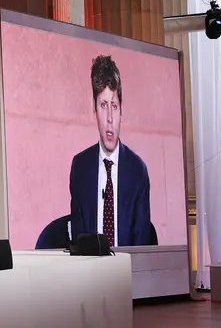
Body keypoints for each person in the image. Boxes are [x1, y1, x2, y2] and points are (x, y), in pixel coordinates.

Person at [65, 55, 156, 247]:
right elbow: (78, 241)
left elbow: (141, 247)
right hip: (90, 265)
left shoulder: (138, 171)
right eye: (103, 105)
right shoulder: (80, 167)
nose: (109, 118)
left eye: (114, 106)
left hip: (127, 266)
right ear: (94, 110)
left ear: (121, 111)